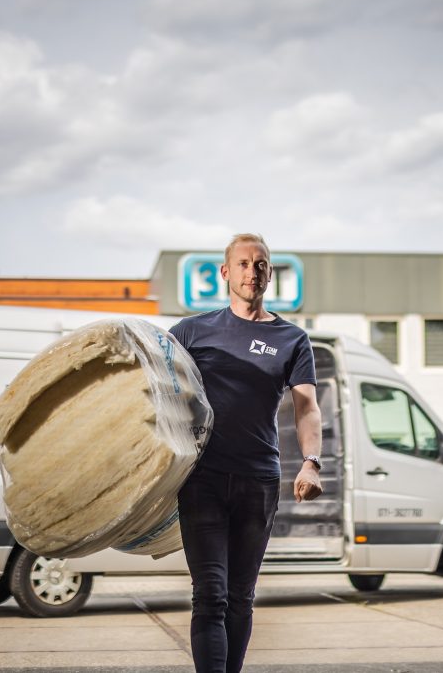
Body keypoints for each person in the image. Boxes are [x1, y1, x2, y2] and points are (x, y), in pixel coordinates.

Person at [170, 233, 323, 673]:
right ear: (225, 272)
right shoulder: (190, 332)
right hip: (202, 479)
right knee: (210, 594)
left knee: (240, 597)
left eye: (260, 264)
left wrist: (311, 462)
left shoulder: (291, 339)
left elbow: (307, 408)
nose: (251, 272)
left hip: (258, 481)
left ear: (269, 273)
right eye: (242, 263)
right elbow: (154, 392)